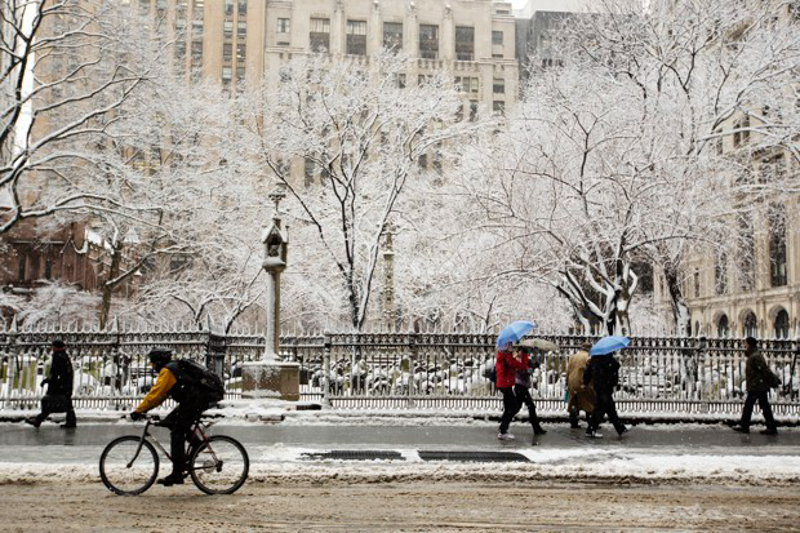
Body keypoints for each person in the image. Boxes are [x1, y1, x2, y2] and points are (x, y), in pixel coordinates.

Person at [130, 349, 213, 486]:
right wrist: (146, 409)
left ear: (158, 362)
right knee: (170, 422)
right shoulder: (173, 368)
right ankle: (196, 445)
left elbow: (156, 394)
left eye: (152, 363)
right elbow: (161, 396)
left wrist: (139, 410)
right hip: (194, 400)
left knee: (177, 433)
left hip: (195, 401)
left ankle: (177, 473)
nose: (152, 367)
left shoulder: (168, 371)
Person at [733, 337, 780, 435]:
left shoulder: (755, 357)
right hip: (757, 385)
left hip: (758, 386)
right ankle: (770, 427)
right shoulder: (753, 356)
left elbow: (764, 370)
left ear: (750, 345)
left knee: (752, 406)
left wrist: (773, 380)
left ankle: (746, 426)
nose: (744, 346)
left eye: (745, 344)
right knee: (760, 406)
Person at [26, 339, 76, 428]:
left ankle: (38, 420)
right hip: (64, 384)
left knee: (50, 403)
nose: (52, 348)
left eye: (53, 346)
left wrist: (48, 380)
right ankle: (71, 422)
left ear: (56, 348)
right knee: (67, 404)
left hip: (59, 385)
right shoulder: (63, 356)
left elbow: (56, 372)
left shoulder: (59, 357)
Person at [583, 349, 627, 439]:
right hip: (605, 386)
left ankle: (620, 428)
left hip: (599, 386)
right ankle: (591, 430)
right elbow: (612, 368)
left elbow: (588, 371)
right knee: (599, 410)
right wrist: (617, 363)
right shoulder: (607, 359)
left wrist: (585, 382)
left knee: (610, 409)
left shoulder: (594, 359)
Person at [496, 344, 528, 440]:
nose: (512, 346)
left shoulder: (505, 356)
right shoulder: (506, 357)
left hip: (505, 384)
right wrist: (524, 354)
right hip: (505, 384)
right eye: (510, 345)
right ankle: (503, 430)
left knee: (509, 407)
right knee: (513, 407)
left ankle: (503, 428)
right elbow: (520, 365)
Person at [514, 348, 547, 436]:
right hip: (520, 386)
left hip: (522, 386)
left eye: (525, 351)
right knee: (530, 406)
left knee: (517, 407)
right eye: (522, 351)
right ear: (518, 351)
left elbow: (528, 369)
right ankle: (536, 428)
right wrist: (529, 370)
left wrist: (533, 366)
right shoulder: (517, 360)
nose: (524, 353)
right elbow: (521, 371)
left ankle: (504, 423)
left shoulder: (526, 360)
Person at [566, 342, 595, 429]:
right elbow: (590, 371)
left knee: (574, 402)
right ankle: (591, 422)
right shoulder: (588, 357)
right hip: (583, 382)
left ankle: (573, 421)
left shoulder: (573, 357)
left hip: (572, 381)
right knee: (588, 403)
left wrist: (567, 382)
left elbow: (568, 370)